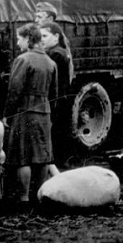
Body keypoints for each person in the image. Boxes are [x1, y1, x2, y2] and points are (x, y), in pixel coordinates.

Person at [2, 23, 57, 210]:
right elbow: (55, 93)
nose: (18, 43)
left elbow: (14, 90)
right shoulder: (51, 63)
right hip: (44, 112)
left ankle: (24, 198)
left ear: (28, 39)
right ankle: (39, 195)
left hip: (25, 112)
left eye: (19, 38)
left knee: (23, 156)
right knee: (42, 156)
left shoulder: (23, 60)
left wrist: (7, 114)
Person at [40, 22, 73, 171]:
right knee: (60, 133)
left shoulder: (55, 54)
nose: (42, 40)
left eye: (45, 36)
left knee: (55, 134)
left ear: (56, 36)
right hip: (62, 100)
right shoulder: (61, 51)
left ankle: (55, 166)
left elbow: (53, 82)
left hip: (56, 101)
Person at [34, 1, 74, 80]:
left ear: (50, 19)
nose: (36, 20)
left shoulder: (58, 39)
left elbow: (68, 67)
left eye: (39, 17)